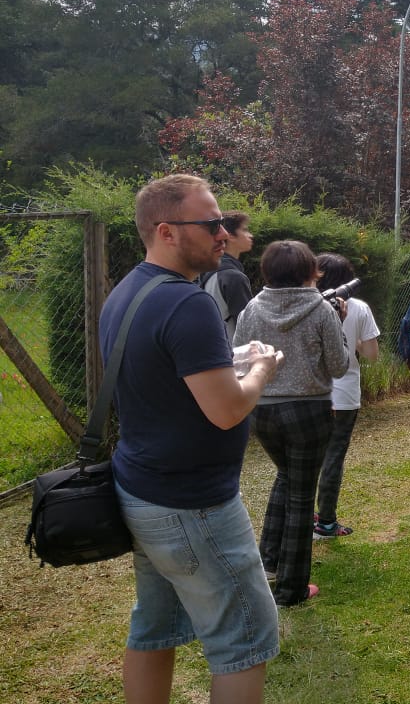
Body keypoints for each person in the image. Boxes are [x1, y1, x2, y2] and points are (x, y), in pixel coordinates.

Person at [103, 174, 284, 703]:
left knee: (155, 628)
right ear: (166, 231)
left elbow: (164, 379)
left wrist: (231, 364)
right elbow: (227, 410)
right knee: (244, 639)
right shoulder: (189, 304)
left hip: (141, 489)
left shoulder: (127, 291)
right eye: (210, 224)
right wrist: (262, 369)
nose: (223, 233)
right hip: (192, 505)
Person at [234, 240, 349, 606]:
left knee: (286, 477)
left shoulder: (251, 308)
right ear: (309, 271)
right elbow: (340, 365)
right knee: (302, 498)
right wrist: (341, 325)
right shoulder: (322, 310)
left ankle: (267, 562)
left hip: (263, 410)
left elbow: (239, 359)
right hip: (308, 412)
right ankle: (291, 588)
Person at [313, 253, 380, 539]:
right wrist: (353, 339)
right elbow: (372, 355)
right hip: (343, 394)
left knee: (306, 459)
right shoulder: (360, 308)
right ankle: (326, 522)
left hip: (309, 393)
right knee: (333, 458)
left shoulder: (306, 305)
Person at [199, 211, 255, 341]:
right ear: (230, 236)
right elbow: (249, 328)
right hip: (234, 354)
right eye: (245, 230)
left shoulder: (210, 271)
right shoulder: (233, 277)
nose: (250, 235)